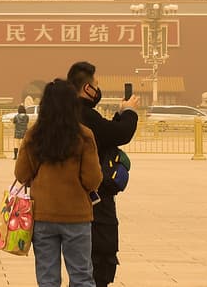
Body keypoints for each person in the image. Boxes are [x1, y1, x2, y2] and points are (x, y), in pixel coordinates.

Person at [14, 79, 103, 287]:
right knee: (81, 277)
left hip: (43, 216)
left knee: (47, 279)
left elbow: (21, 174)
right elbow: (92, 180)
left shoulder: (34, 135)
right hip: (76, 217)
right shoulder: (84, 135)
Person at [67, 61, 141, 287]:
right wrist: (129, 112)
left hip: (68, 199)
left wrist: (119, 114)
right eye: (96, 84)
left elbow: (106, 134)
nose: (98, 89)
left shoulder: (67, 113)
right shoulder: (85, 115)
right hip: (95, 198)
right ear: (87, 88)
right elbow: (119, 134)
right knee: (100, 259)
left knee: (78, 265)